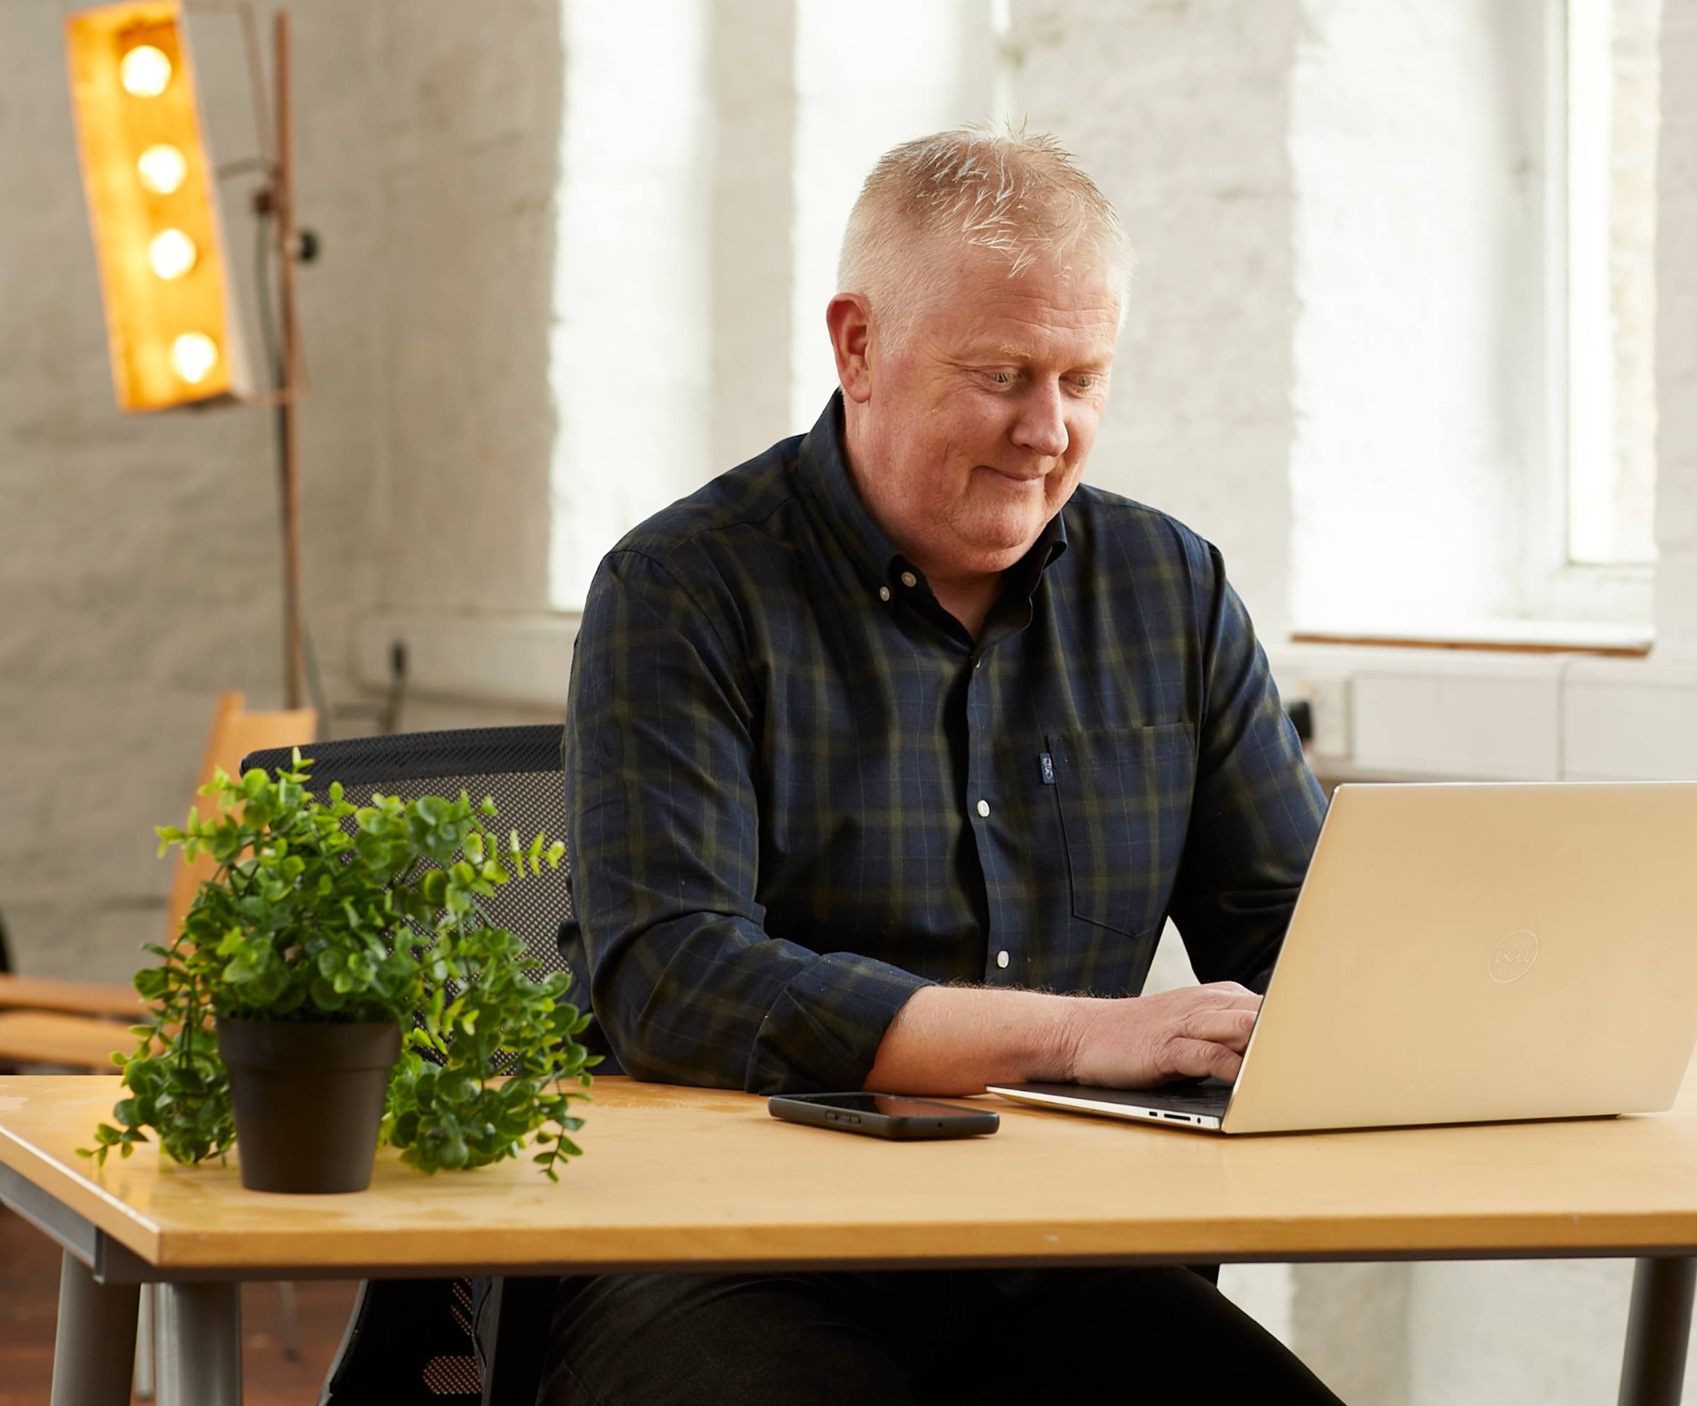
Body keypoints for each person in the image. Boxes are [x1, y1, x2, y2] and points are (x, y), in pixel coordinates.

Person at [557, 124, 1337, 1406]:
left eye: (1084, 378)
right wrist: (1086, 1034)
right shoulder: (681, 587)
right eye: (1001, 373)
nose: (1048, 430)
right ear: (857, 345)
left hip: (1068, 1251)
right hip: (732, 1253)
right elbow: (674, 980)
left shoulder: (1171, 590)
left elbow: (1295, 932)